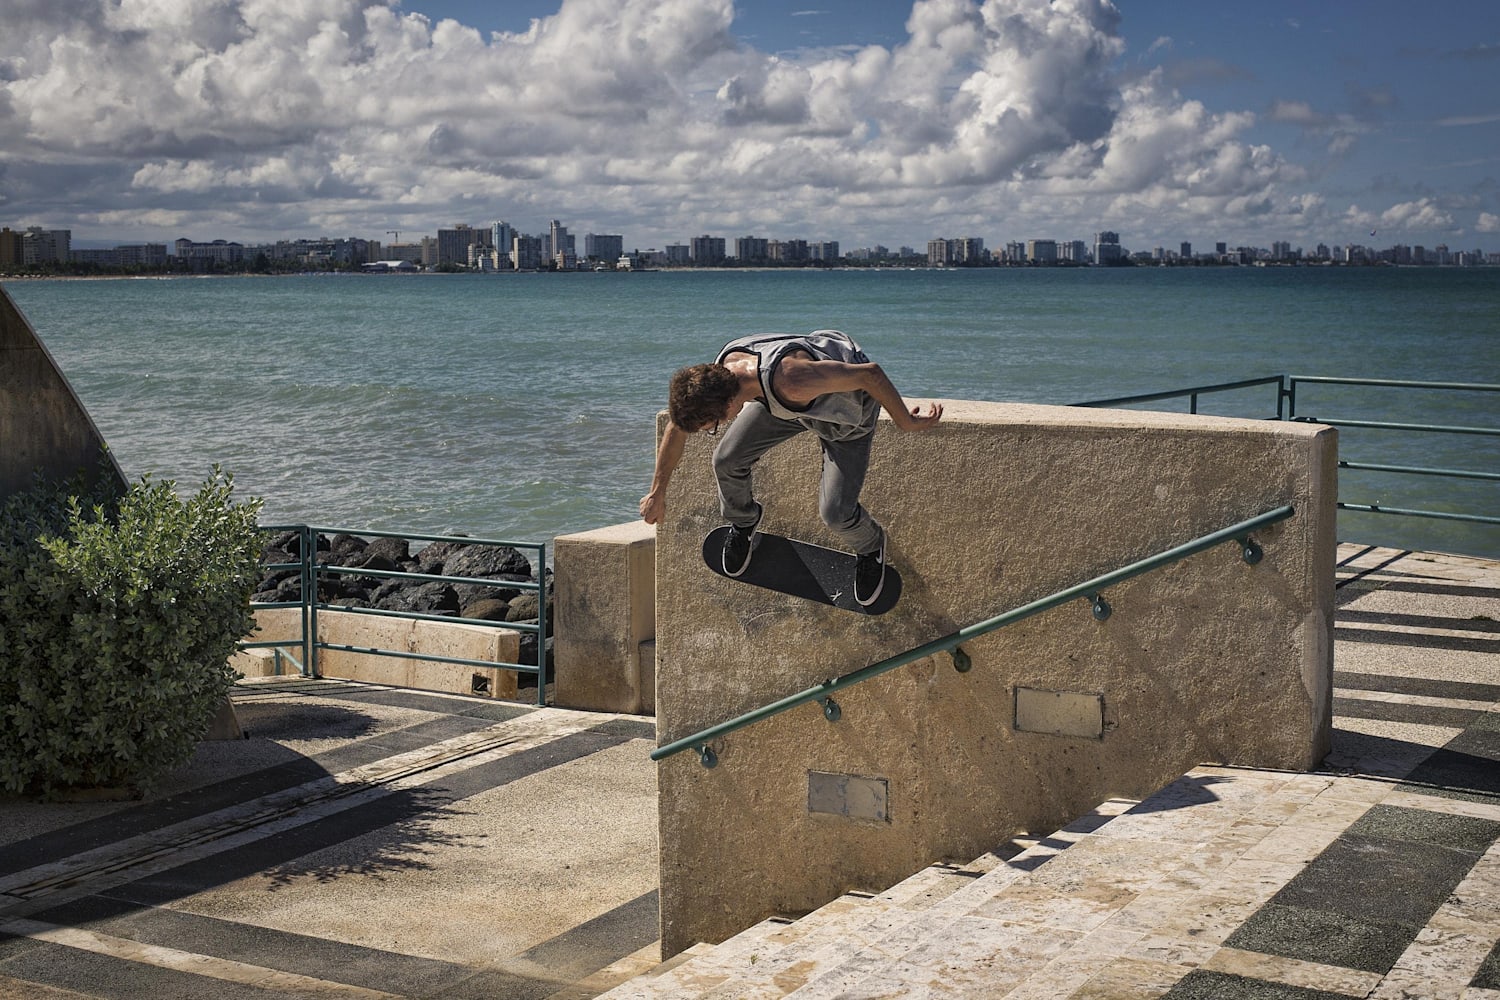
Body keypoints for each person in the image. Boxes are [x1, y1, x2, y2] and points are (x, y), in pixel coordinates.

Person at [639, 329, 943, 607]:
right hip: (784, 408)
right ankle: (744, 521)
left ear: (729, 405)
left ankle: (870, 545)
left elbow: (871, 375)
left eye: (714, 425)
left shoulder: (792, 379)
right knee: (726, 460)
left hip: (846, 419)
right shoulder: (721, 370)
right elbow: (677, 429)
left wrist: (906, 421)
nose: (716, 428)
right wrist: (657, 492)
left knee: (836, 513)